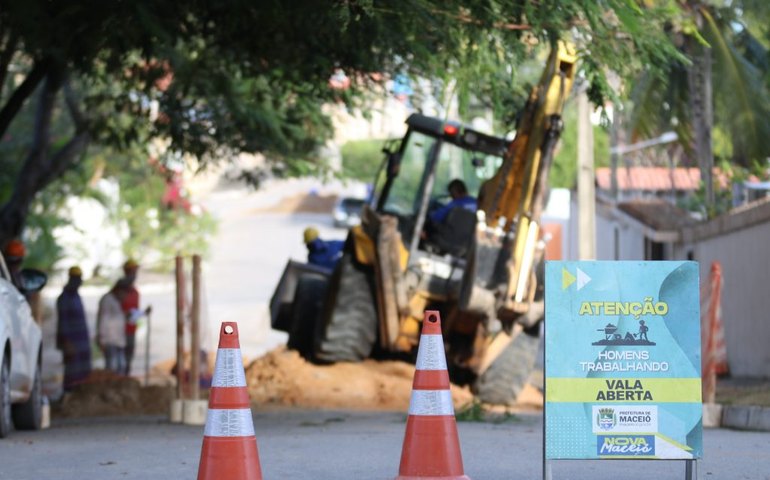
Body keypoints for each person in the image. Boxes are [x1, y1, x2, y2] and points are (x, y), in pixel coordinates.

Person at [56, 266, 92, 390]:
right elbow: (63, 322)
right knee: (72, 373)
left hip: (82, 341)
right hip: (72, 344)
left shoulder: (76, 296)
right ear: (71, 278)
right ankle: (69, 397)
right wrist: (66, 343)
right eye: (76, 278)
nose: (79, 281)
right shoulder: (64, 298)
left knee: (84, 373)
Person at [119, 259, 151, 376]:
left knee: (128, 359)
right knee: (119, 362)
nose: (133, 274)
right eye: (131, 271)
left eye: (134, 271)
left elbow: (133, 312)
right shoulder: (119, 291)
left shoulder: (135, 292)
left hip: (131, 330)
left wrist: (143, 313)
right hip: (120, 331)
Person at [96, 282, 127, 374]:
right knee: (112, 367)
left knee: (120, 365)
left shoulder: (115, 300)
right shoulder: (107, 300)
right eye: (124, 293)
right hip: (109, 340)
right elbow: (103, 320)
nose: (125, 296)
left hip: (118, 340)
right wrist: (101, 339)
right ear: (118, 290)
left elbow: (117, 318)